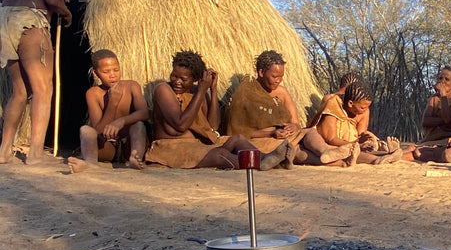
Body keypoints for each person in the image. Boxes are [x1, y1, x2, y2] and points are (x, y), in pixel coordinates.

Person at [0, 0, 72, 165]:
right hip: (31, 21)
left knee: (19, 91)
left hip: (5, 19)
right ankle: (35, 154)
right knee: (43, 88)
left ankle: (4, 151)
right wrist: (66, 12)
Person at [145, 50, 292, 169]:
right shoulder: (163, 90)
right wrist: (202, 92)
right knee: (220, 155)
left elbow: (213, 126)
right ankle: (259, 162)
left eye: (183, 79)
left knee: (238, 139)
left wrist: (213, 90)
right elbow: (181, 124)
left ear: (195, 79)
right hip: (170, 148)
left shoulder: (197, 92)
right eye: (174, 76)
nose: (176, 81)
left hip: (198, 144)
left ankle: (266, 158)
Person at [226, 50, 358, 166]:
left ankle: (326, 152)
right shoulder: (245, 94)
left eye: (281, 77)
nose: (278, 80)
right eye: (274, 76)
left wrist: (294, 127)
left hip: (287, 137)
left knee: (308, 133)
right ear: (261, 72)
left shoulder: (282, 92)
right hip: (262, 141)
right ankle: (341, 163)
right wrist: (271, 133)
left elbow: (296, 122)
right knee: (297, 152)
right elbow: (239, 132)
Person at [67, 50, 149, 173]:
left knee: (138, 125)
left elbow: (144, 113)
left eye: (116, 70)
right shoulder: (93, 94)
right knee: (85, 130)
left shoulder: (131, 86)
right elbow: (98, 130)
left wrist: (122, 121)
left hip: (129, 143)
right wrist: (112, 103)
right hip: (107, 147)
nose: (112, 75)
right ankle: (90, 162)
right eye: (106, 72)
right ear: (96, 74)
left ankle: (134, 157)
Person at [314, 81, 405, 164]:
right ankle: (379, 159)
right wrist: (356, 144)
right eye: (362, 108)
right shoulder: (333, 106)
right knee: (349, 151)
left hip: (354, 143)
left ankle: (388, 154)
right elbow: (331, 139)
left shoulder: (363, 111)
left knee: (365, 149)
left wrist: (366, 140)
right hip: (334, 145)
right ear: (350, 103)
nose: (365, 110)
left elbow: (360, 133)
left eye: (367, 107)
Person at [419, 66, 451, 143]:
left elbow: (448, 118)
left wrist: (443, 94)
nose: (442, 82)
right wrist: (446, 122)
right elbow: (425, 121)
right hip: (431, 138)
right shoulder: (434, 98)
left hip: (448, 139)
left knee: (416, 151)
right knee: (410, 150)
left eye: (447, 79)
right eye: (440, 78)